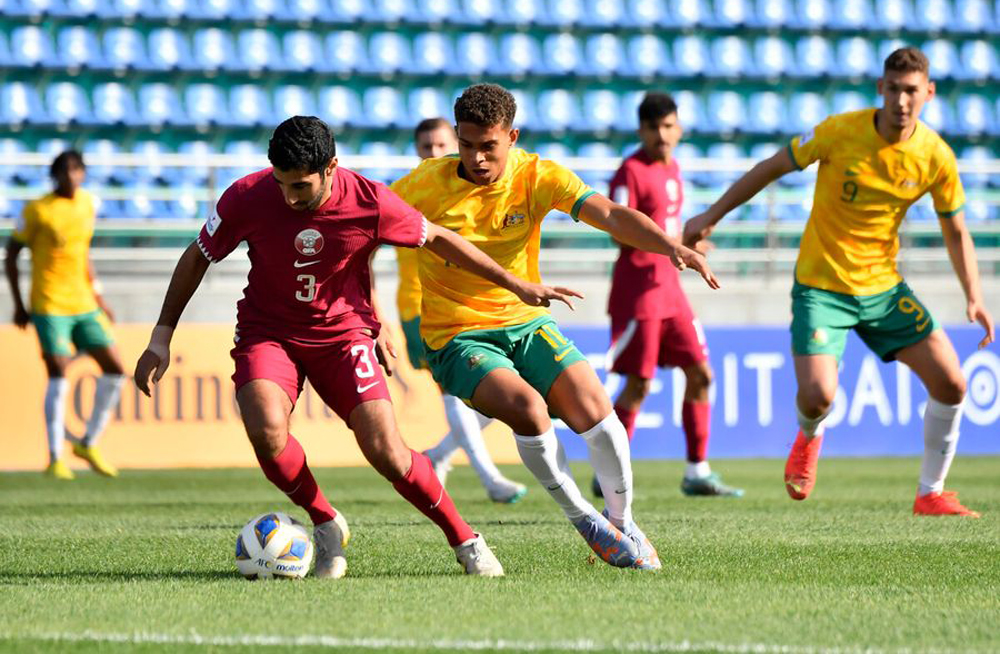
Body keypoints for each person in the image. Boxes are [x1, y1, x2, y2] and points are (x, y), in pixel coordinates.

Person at [133, 116, 575, 578]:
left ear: (331, 168)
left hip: (343, 335)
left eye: (300, 186)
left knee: (385, 449)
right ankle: (325, 521)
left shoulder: (370, 200)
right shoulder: (247, 196)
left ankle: (465, 539)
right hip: (269, 332)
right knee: (266, 430)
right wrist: (161, 336)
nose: (289, 197)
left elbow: (442, 239)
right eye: (281, 183)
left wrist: (513, 282)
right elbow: (197, 256)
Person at [391, 84, 721, 570]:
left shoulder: (536, 174)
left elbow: (608, 214)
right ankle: (586, 521)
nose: (477, 158)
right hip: (456, 335)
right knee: (528, 408)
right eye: (467, 145)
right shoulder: (422, 185)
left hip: (526, 320)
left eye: (489, 146)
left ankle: (622, 521)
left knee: (596, 407)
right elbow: (362, 230)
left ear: (512, 136)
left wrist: (670, 245)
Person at [684, 48, 994, 517]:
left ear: (928, 93)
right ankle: (809, 437)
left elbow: (955, 229)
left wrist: (973, 294)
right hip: (821, 286)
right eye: (893, 89)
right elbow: (772, 167)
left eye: (911, 91)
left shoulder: (936, 157)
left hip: (884, 289)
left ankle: (931, 492)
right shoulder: (838, 132)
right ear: (880, 89)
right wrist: (711, 215)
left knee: (952, 383)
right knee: (818, 396)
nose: (901, 101)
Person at [601, 92, 743, 499]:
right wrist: (672, 244)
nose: (662, 135)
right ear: (641, 130)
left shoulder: (675, 168)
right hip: (638, 291)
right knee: (639, 385)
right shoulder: (629, 171)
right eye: (654, 128)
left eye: (668, 126)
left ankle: (697, 471)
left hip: (671, 288)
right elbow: (618, 230)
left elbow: (670, 229)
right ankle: (610, 470)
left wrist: (688, 245)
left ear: (678, 128)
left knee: (701, 373)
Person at [397, 117, 527, 504]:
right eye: (426, 148)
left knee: (491, 396)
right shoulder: (411, 191)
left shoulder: (468, 188)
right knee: (455, 393)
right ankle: (490, 479)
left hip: (473, 307)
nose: (434, 154)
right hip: (421, 307)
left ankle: (437, 455)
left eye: (441, 146)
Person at [4, 150, 125, 480]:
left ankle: (88, 443)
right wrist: (18, 303)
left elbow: (82, 252)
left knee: (116, 369)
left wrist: (99, 296)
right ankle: (55, 456)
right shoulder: (37, 211)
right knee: (58, 371)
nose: (72, 176)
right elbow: (11, 255)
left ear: (83, 174)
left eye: (77, 170)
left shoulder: (89, 204)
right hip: (49, 303)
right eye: (65, 171)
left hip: (84, 303)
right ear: (55, 175)